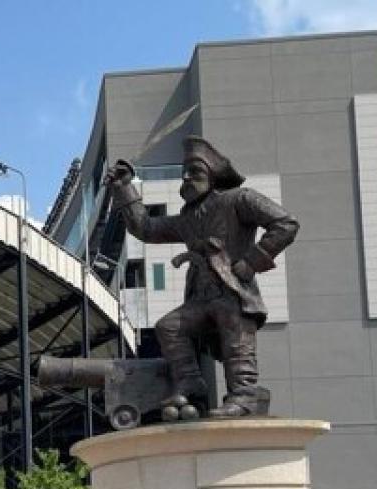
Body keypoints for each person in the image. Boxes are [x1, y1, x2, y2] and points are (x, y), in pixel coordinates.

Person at [104, 136, 299, 418]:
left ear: (213, 175)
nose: (186, 177)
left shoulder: (239, 199)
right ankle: (191, 383)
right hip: (201, 297)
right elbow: (146, 228)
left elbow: (286, 223)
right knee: (170, 326)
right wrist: (123, 187)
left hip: (233, 294)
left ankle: (245, 395)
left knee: (236, 341)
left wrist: (250, 263)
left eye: (194, 171)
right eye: (185, 172)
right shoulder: (188, 218)